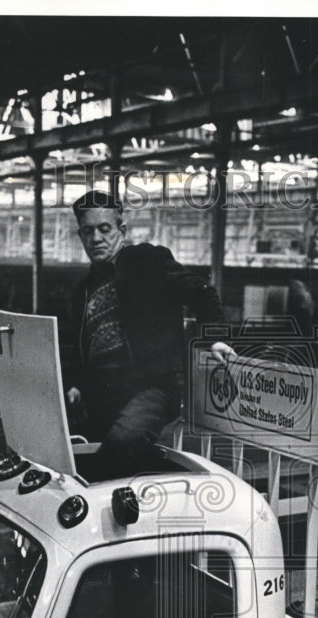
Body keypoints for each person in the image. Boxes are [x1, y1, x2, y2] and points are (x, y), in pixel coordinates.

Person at [64, 190, 234, 478]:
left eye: (104, 229)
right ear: (80, 236)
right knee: (68, 453)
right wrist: (75, 385)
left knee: (122, 445)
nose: (96, 239)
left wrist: (215, 338)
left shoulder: (147, 262)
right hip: (101, 394)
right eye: (87, 231)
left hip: (153, 387)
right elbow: (82, 349)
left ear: (122, 230)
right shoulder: (82, 292)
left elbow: (201, 293)